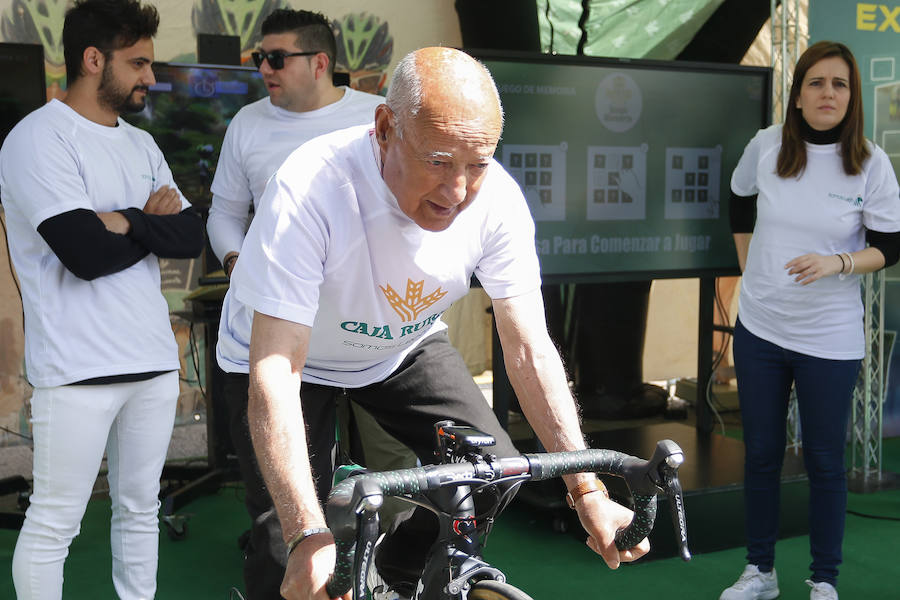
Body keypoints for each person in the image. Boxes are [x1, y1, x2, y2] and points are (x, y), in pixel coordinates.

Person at [220, 46, 650, 600]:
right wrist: (308, 534)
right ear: (384, 128)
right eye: (439, 160)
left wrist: (586, 489)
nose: (457, 192)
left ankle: (394, 576)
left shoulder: (496, 201)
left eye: (478, 164)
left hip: (398, 346)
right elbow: (277, 371)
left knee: (495, 472)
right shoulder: (310, 187)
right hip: (289, 358)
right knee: (290, 549)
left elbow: (528, 349)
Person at [0, 0, 204, 598]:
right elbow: (83, 256)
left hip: (152, 363)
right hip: (76, 370)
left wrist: (120, 221)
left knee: (140, 511)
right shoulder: (35, 139)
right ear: (94, 60)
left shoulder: (141, 145)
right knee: (54, 524)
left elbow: (191, 234)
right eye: (138, 62)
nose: (150, 77)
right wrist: (147, 221)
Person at [206, 8, 392, 599]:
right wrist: (240, 266)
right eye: (259, 58)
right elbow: (225, 214)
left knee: (397, 470)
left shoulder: (376, 117)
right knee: (286, 487)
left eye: (276, 58)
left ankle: (382, 579)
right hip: (284, 328)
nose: (264, 68)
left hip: (374, 330)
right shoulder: (247, 125)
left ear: (319, 62)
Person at [720, 41, 900, 600]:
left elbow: (890, 246)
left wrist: (837, 263)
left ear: (852, 97)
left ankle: (824, 581)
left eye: (840, 84)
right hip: (761, 330)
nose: (828, 93)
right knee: (763, 455)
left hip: (830, 338)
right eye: (816, 83)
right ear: (797, 95)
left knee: (824, 461)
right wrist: (751, 270)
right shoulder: (767, 145)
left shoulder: (869, 161)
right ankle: (760, 573)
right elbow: (739, 200)